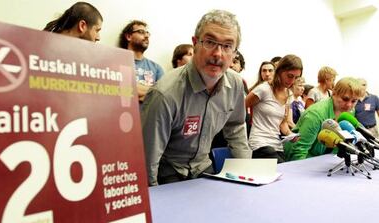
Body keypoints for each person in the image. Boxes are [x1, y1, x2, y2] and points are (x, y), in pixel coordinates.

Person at [141, 9, 251, 186]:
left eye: (227, 46)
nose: (218, 54)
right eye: (210, 42)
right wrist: (154, 201)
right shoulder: (165, 93)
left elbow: (236, 126)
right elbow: (148, 159)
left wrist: (246, 174)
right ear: (195, 43)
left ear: (235, 52)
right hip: (168, 172)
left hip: (203, 168)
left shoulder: (236, 85)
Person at [284, 77, 363, 161]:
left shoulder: (350, 112)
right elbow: (299, 151)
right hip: (304, 161)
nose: (349, 105)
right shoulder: (315, 114)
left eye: (354, 101)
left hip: (326, 161)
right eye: (345, 99)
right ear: (334, 93)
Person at [246, 54, 303, 163]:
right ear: (280, 71)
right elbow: (240, 108)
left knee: (288, 168)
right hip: (259, 144)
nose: (292, 81)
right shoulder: (263, 89)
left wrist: (290, 135)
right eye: (290, 76)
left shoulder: (289, 94)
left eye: (296, 78)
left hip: (276, 145)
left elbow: (283, 124)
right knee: (284, 170)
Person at [118, 20, 164, 102]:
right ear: (128, 36)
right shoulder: (117, 63)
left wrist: (135, 90)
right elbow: (119, 91)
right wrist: (152, 92)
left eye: (147, 33)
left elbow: (162, 95)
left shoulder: (157, 68)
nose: (146, 36)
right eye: (141, 32)